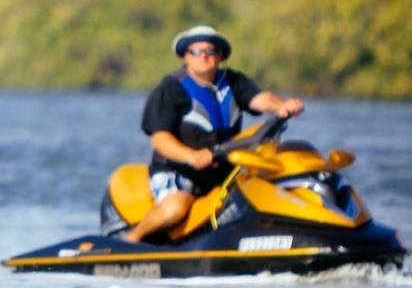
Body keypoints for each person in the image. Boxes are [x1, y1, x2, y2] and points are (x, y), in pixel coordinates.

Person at [123, 25, 304, 243]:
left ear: (220, 56)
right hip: (179, 170)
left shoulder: (234, 82)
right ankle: (131, 240)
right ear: (186, 57)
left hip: (225, 168)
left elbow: (260, 99)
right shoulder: (171, 88)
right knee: (175, 208)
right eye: (197, 52)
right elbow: (160, 139)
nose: (204, 57)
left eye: (210, 51)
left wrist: (281, 106)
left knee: (267, 186)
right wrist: (192, 156)